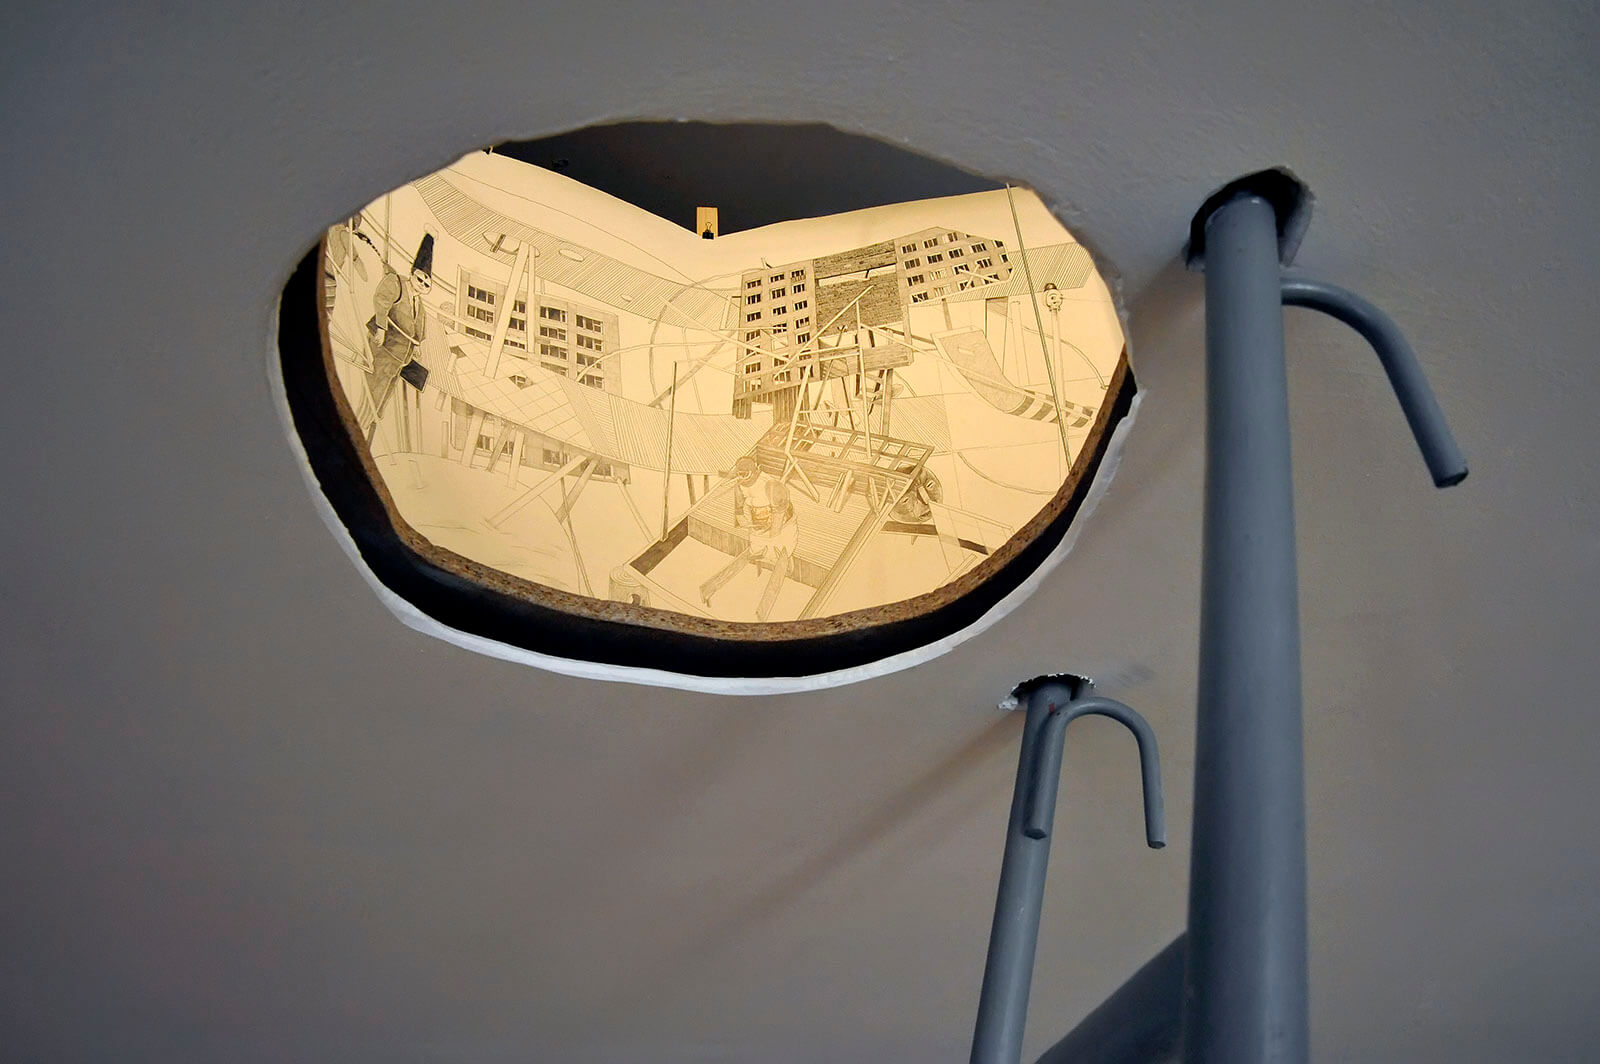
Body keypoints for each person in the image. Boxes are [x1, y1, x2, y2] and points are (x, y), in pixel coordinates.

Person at [700, 456, 799, 620]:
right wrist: (745, 522)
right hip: (758, 528)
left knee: (781, 555)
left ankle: (762, 613)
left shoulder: (771, 486)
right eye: (739, 474)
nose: (742, 478)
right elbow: (739, 509)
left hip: (783, 528)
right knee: (754, 551)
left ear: (755, 471)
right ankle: (708, 589)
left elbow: (780, 512)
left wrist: (772, 535)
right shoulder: (740, 485)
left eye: (745, 474)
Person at [362, 234, 433, 438]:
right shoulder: (396, 283)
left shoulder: (419, 305)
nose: (421, 284)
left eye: (426, 284)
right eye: (420, 279)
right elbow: (381, 301)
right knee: (373, 394)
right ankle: (357, 428)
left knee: (383, 400)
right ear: (413, 273)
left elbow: (419, 329)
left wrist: (416, 346)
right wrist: (381, 329)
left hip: (400, 361)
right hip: (383, 351)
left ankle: (368, 434)